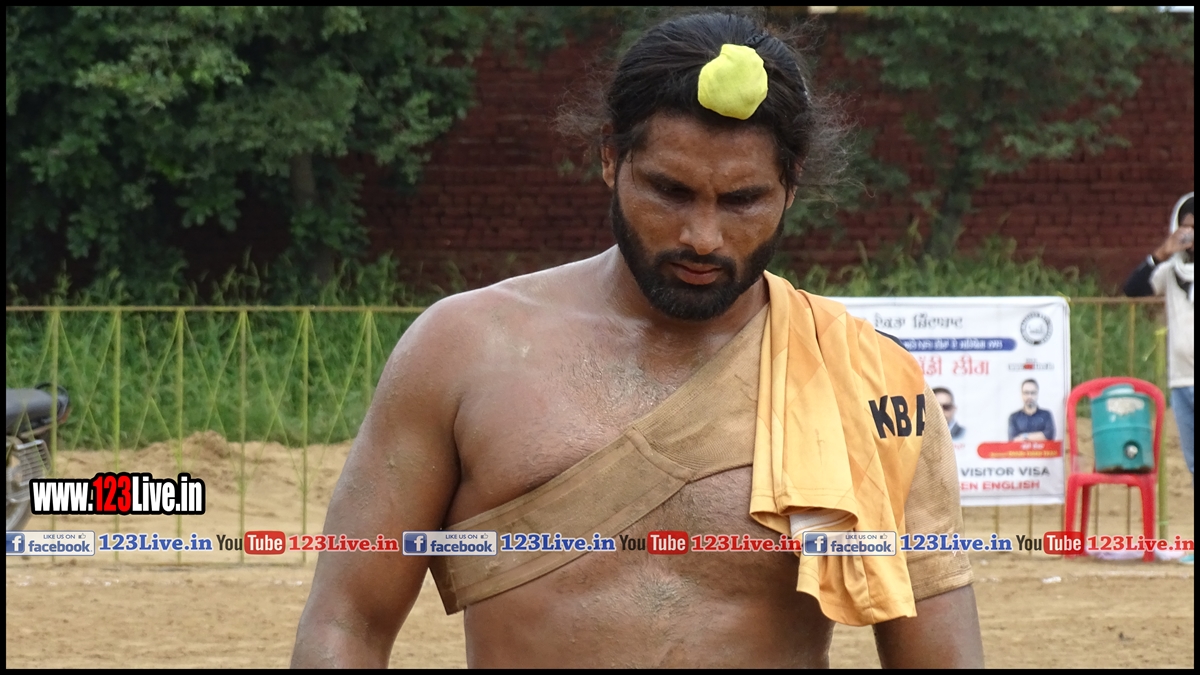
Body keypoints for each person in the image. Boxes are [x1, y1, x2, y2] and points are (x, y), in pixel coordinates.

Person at [291, 11, 984, 667]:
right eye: (670, 191)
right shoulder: (465, 350)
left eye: (742, 200)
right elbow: (346, 622)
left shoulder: (857, 379)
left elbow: (937, 653)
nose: (702, 237)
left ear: (791, 186)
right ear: (609, 158)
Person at [1122, 193, 1193, 565]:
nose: (1190, 236)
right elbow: (1132, 288)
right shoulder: (1170, 271)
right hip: (1182, 381)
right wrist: (1161, 253)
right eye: (1186, 227)